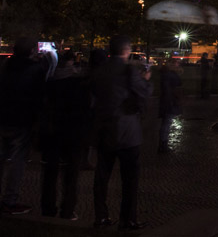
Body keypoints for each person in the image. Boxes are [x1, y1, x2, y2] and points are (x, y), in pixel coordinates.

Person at [91, 35, 152, 230]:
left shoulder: (99, 70)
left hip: (103, 129)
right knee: (129, 179)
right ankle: (128, 219)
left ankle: (100, 216)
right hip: (127, 132)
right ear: (127, 50)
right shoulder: (129, 71)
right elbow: (144, 91)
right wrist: (146, 79)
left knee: (101, 177)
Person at [40, 50, 89, 220]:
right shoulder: (78, 84)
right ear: (70, 64)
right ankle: (67, 210)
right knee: (71, 175)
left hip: (53, 132)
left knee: (50, 172)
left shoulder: (49, 82)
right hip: (73, 133)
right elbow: (84, 110)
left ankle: (47, 208)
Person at [0, 38, 47, 215]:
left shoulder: (5, 66)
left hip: (4, 116)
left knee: (2, 157)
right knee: (17, 161)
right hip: (22, 120)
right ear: (31, 52)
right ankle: (9, 200)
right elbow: (39, 97)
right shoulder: (35, 69)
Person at [158, 58, 183, 153]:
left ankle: (162, 143)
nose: (179, 64)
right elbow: (176, 90)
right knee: (166, 123)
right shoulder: (172, 76)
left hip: (166, 101)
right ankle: (163, 145)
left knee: (166, 123)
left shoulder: (165, 74)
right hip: (170, 102)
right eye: (177, 63)